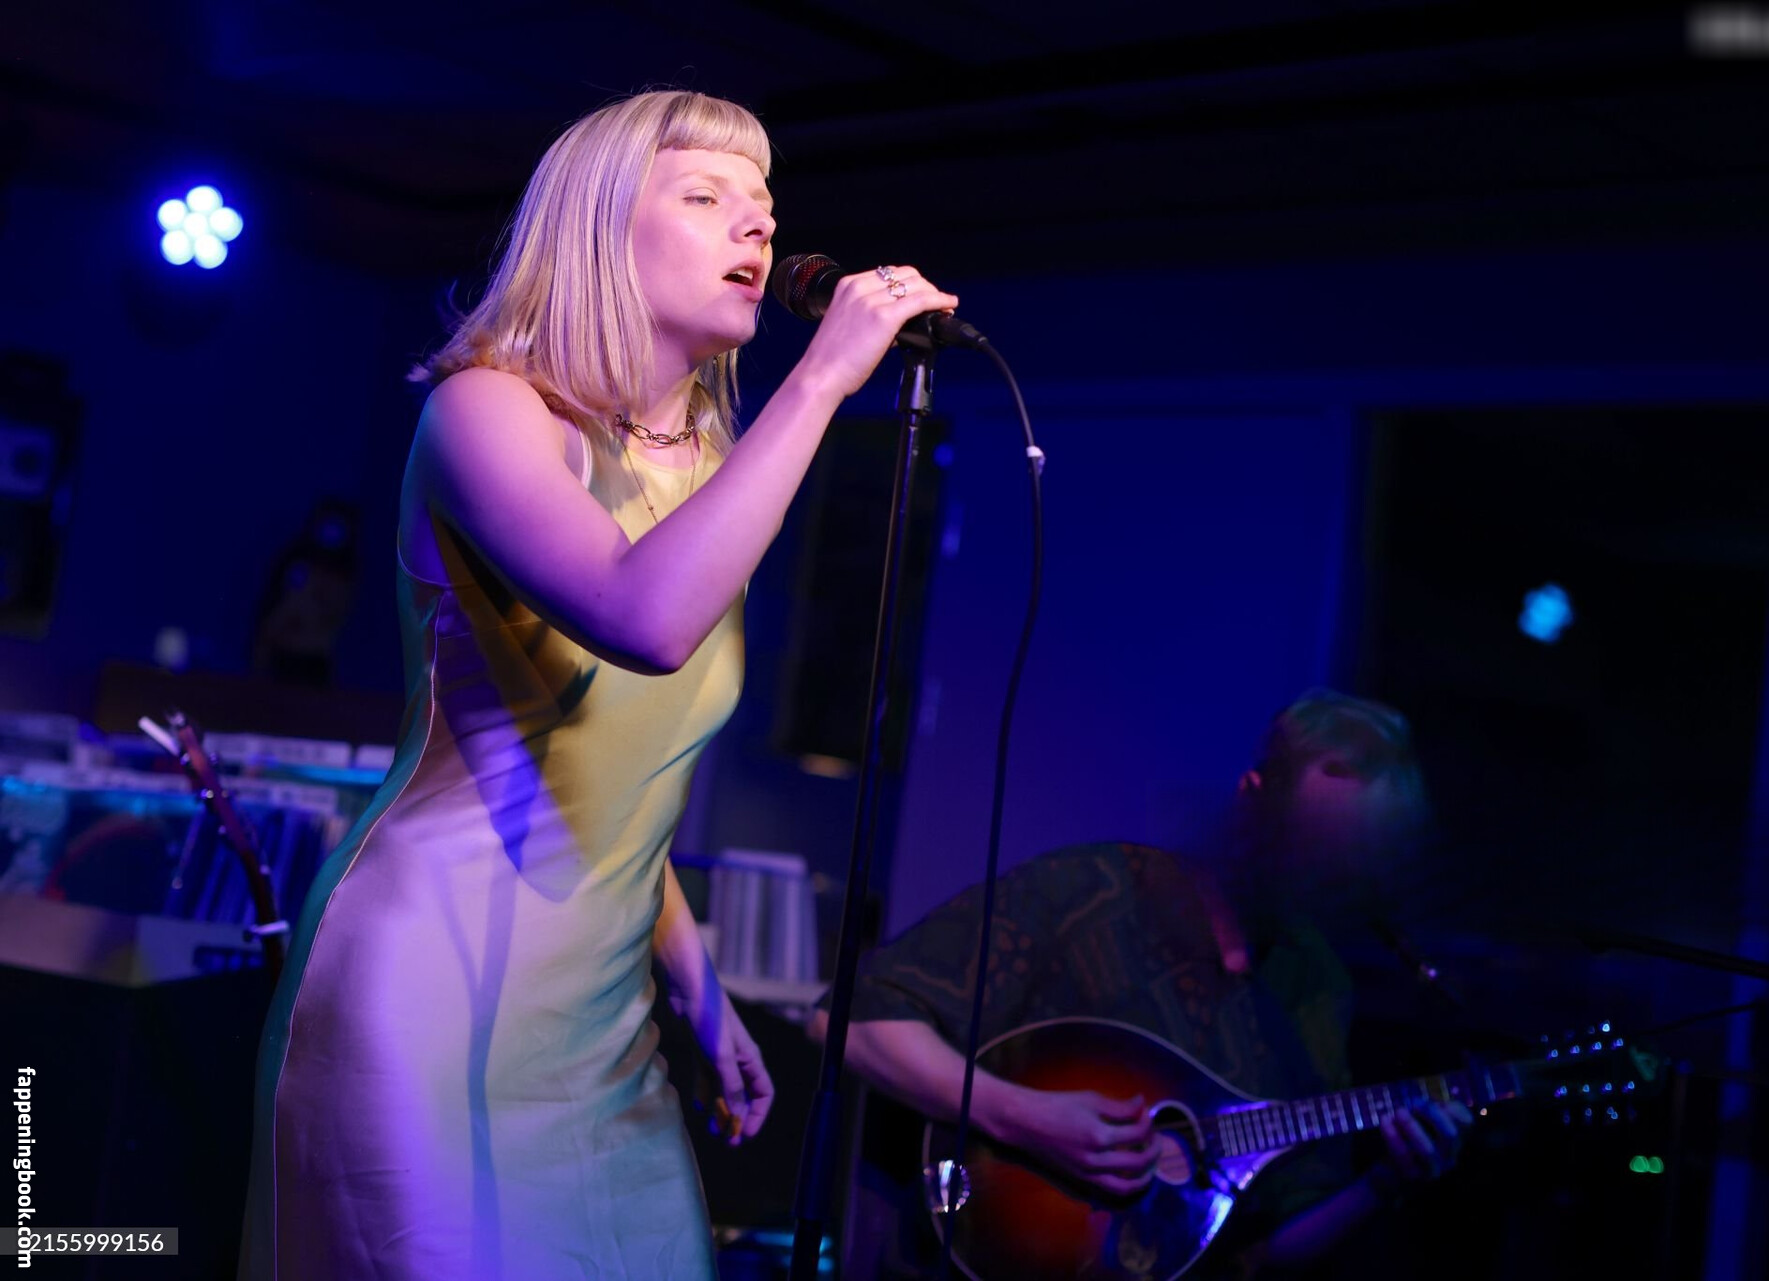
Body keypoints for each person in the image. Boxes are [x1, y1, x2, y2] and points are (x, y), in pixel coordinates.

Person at [238, 89, 960, 1280]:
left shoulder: (714, 463)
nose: (758, 227)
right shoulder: (486, 413)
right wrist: (822, 383)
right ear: (597, 229)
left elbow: (614, 781)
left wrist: (701, 991)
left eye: (764, 206)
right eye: (707, 196)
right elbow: (645, 622)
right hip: (434, 996)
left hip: (603, 1030)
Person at [820, 690, 1474, 1279]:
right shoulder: (1092, 891)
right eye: (1310, 846)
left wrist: (1384, 1183)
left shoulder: (1317, 987)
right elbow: (849, 1019)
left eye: (1345, 864)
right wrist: (1025, 1116)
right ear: (1253, 800)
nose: (1319, 879)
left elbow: (1262, 1251)